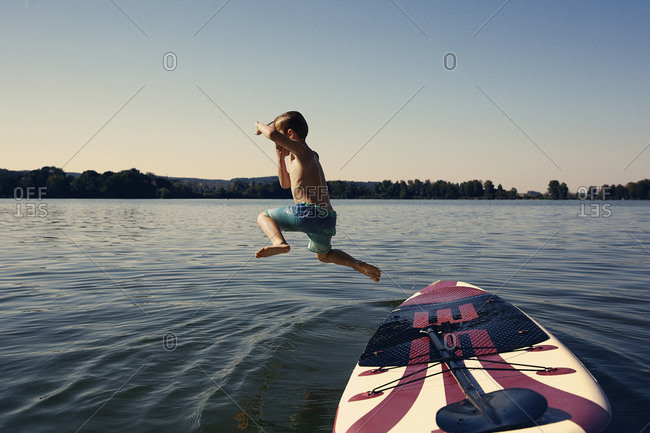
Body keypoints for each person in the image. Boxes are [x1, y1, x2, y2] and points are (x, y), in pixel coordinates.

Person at [253, 111, 381, 282]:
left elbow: (272, 134)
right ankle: (357, 264)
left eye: (280, 137)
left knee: (264, 216)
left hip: (307, 213)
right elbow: (284, 183)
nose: (277, 141)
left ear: (290, 134)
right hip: (326, 219)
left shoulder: (303, 150)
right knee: (324, 255)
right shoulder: (302, 157)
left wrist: (259, 127)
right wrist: (279, 157)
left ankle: (279, 243)